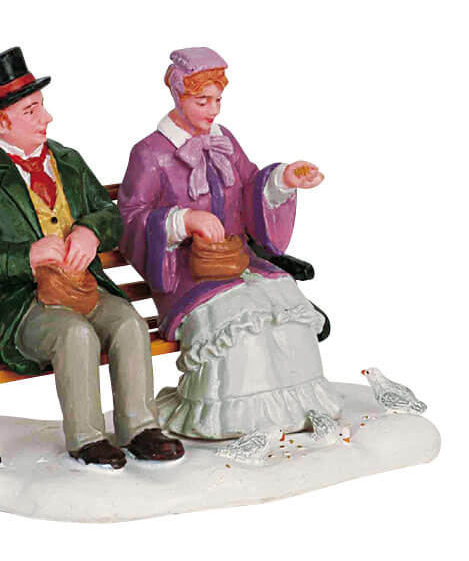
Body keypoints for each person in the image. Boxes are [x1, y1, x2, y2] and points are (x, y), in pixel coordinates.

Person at [0, 47, 184, 468]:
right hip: (27, 307)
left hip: (85, 289)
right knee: (75, 335)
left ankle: (140, 427)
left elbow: (110, 215)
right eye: (30, 111)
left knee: (129, 324)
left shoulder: (68, 161)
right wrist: (27, 255)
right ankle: (87, 438)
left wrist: (91, 231)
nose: (46, 118)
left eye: (41, 106)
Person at [119, 47, 342, 440]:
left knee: (285, 307)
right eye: (202, 100)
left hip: (240, 262)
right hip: (186, 275)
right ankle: (233, 418)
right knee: (240, 322)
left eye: (218, 99)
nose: (213, 110)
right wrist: (183, 220)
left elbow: (251, 185)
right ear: (178, 95)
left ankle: (297, 409)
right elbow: (131, 217)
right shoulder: (150, 153)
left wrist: (283, 179)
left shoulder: (225, 141)